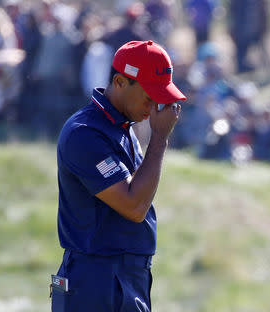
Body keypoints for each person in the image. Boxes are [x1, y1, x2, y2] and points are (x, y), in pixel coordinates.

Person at [51, 40, 186, 312]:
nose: (154, 107)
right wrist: (159, 138)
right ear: (121, 82)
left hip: (121, 277)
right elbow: (134, 206)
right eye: (149, 96)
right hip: (95, 280)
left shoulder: (123, 127)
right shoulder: (85, 132)